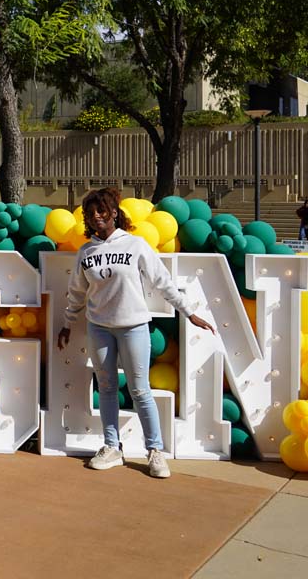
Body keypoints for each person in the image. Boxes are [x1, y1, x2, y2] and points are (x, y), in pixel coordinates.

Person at [56, 187, 215, 478]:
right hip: (99, 328)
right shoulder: (86, 252)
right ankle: (111, 446)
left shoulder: (136, 245)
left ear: (114, 212)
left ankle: (155, 452)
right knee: (105, 388)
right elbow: (77, 293)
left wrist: (189, 312)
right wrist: (67, 323)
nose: (96, 216)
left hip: (133, 328)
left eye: (102, 211)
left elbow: (163, 282)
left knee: (140, 390)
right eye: (91, 213)